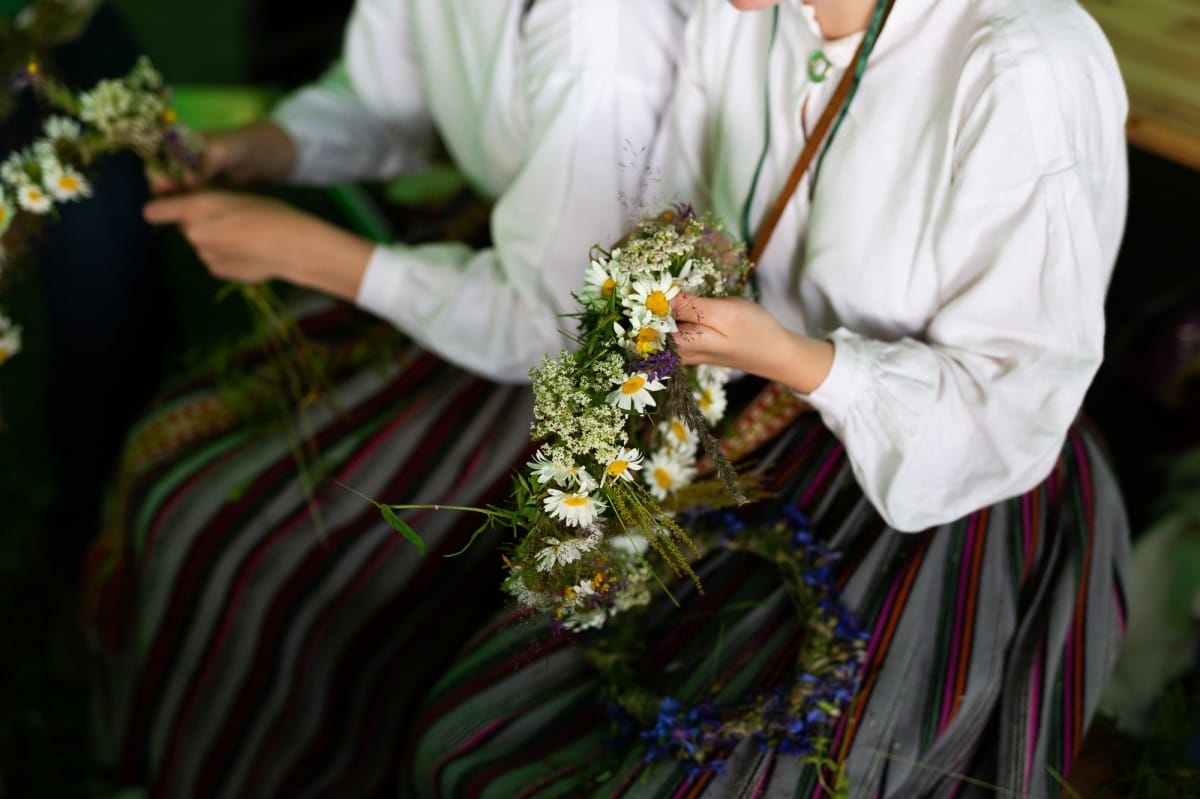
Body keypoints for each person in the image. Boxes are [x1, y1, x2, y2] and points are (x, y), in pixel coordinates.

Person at [403, 0, 1131, 797]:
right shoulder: (744, 15)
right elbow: (690, 207)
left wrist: (795, 356)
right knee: (466, 736)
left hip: (942, 485)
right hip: (748, 421)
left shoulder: (1023, 63)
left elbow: (1015, 392)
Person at [81, 1, 690, 797]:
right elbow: (387, 101)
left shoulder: (597, 29)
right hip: (491, 282)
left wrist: (317, 255)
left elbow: (558, 325)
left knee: (237, 546)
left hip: (596, 378)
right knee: (167, 451)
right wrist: (258, 148)